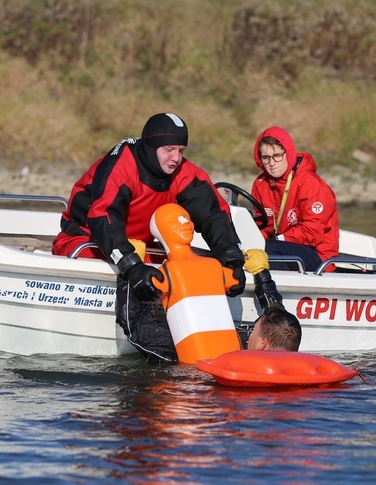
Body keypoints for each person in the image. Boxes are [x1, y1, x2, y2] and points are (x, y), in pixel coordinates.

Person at [52, 112, 246, 363]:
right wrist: (131, 267)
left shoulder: (182, 172)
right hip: (87, 238)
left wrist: (231, 258)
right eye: (169, 150)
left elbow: (213, 215)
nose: (176, 158)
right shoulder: (122, 166)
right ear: (151, 146)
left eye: (181, 150)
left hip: (143, 247)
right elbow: (103, 216)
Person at [251, 126, 340, 272]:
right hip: (281, 246)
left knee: (268, 250)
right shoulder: (260, 184)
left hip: (318, 256)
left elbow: (312, 233)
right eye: (266, 157)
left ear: (288, 153)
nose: (272, 163)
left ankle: (269, 290)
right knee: (243, 248)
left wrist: (277, 240)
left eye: (277, 155)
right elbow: (262, 225)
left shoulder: (310, 184)